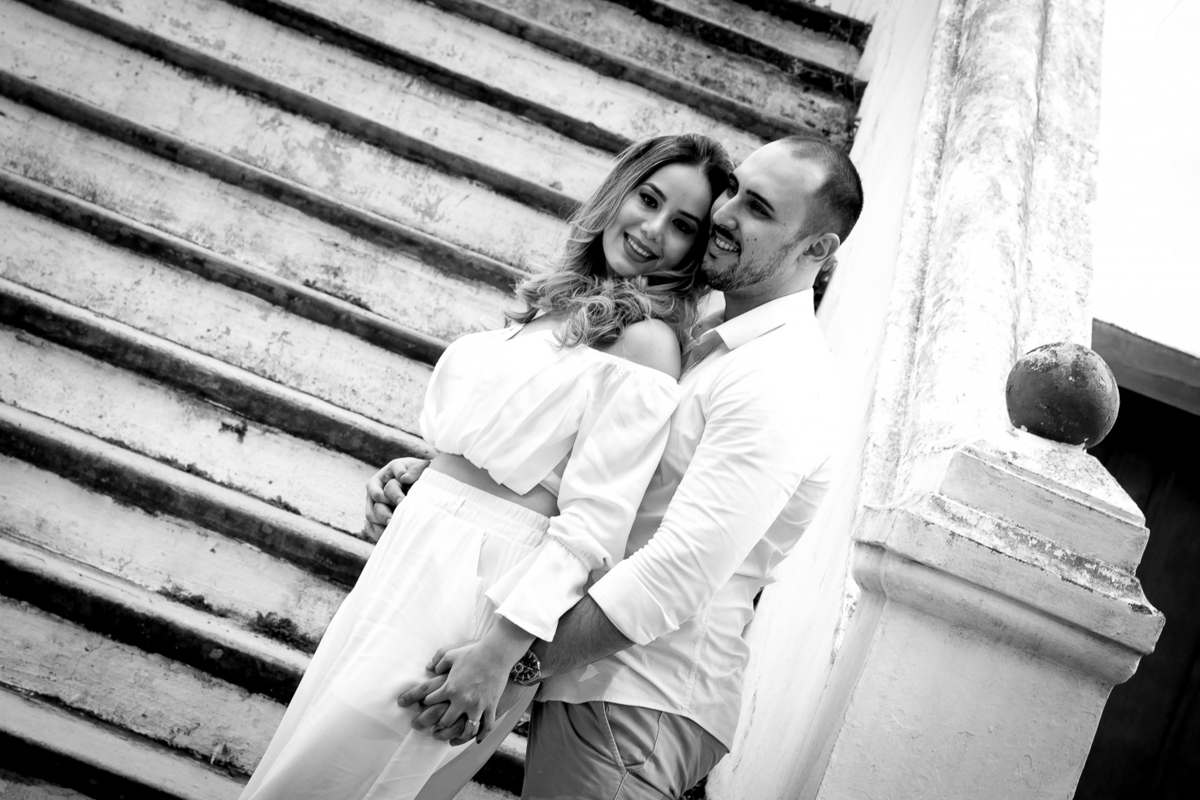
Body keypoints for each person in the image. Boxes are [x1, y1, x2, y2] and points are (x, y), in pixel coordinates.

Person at [239, 133, 733, 800]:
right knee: (305, 771)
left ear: (695, 252)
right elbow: (516, 452)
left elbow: (594, 525)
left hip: (481, 588)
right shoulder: (557, 306)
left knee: (340, 782)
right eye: (648, 199)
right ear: (619, 192)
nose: (653, 229)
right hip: (414, 560)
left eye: (682, 225)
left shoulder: (646, 343)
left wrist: (500, 654)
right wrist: (421, 474)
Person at [373, 136, 864, 799]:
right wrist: (445, 486)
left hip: (639, 701)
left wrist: (509, 658)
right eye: (733, 190)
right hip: (591, 679)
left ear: (817, 249)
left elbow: (677, 573)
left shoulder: (780, 379)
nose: (724, 214)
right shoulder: (717, 342)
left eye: (759, 207)